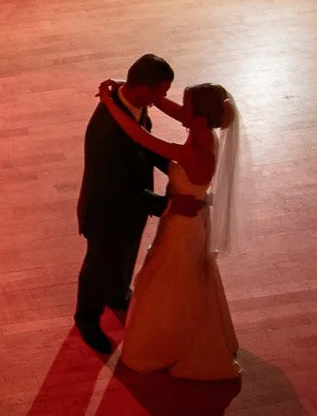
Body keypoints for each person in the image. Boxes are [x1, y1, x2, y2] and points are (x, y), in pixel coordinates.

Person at [96, 78, 244, 380]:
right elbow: (167, 107)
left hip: (182, 229)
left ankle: (162, 344)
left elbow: (140, 137)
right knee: (177, 279)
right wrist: (132, 89)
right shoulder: (204, 130)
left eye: (185, 105)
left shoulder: (196, 152)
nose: (179, 108)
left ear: (200, 116)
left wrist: (109, 102)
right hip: (186, 222)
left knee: (165, 282)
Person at [75, 54, 204, 354]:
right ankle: (86, 320)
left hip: (128, 209)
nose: (164, 98)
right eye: (162, 92)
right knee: (98, 266)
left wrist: (177, 170)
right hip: (106, 211)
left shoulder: (128, 103)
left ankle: (117, 295)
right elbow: (118, 187)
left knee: (124, 255)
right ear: (146, 90)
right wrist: (168, 204)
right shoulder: (110, 130)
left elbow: (145, 145)